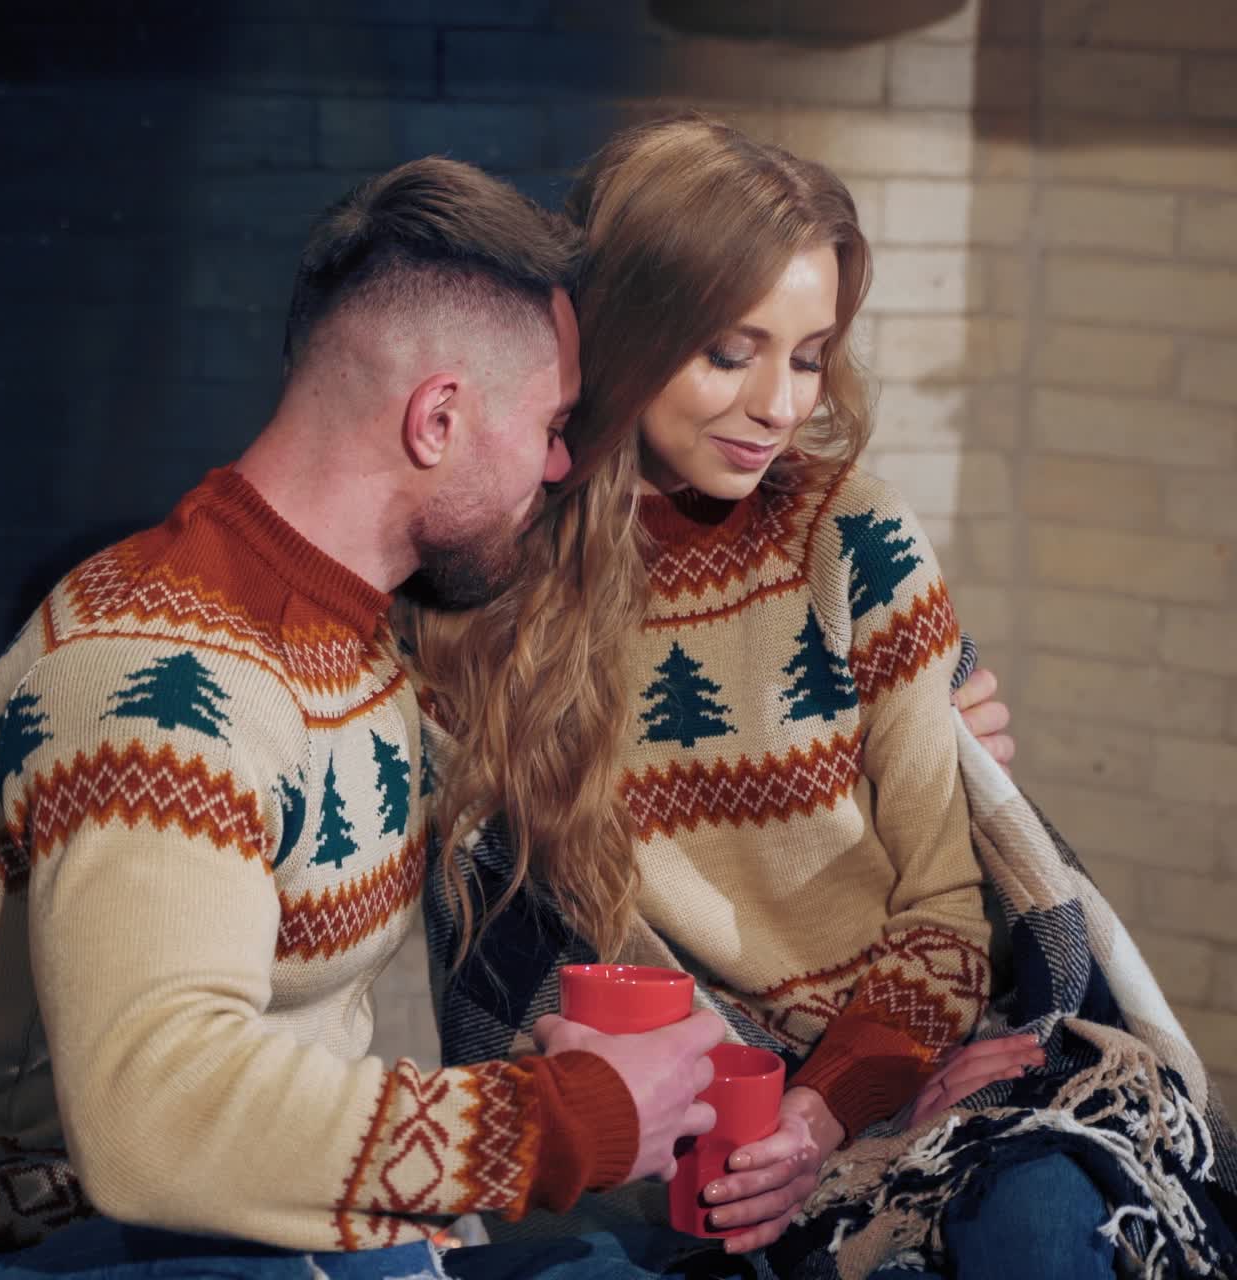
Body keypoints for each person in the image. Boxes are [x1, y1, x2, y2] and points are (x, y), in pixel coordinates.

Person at [414, 117, 1234, 1278]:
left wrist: (820, 1115)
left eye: (806, 356)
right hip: (683, 1116)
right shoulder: (491, 581)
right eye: (728, 352)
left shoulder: (851, 535)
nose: (777, 404)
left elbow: (946, 911)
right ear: (631, 332)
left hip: (915, 1062)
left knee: (1050, 1226)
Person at [0, 157, 730, 1276]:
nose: (561, 465)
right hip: (53, 1242)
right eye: (552, 424)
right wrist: (557, 1122)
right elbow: (154, 1117)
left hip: (256, 1235)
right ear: (439, 419)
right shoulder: (157, 683)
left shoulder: (344, 634)